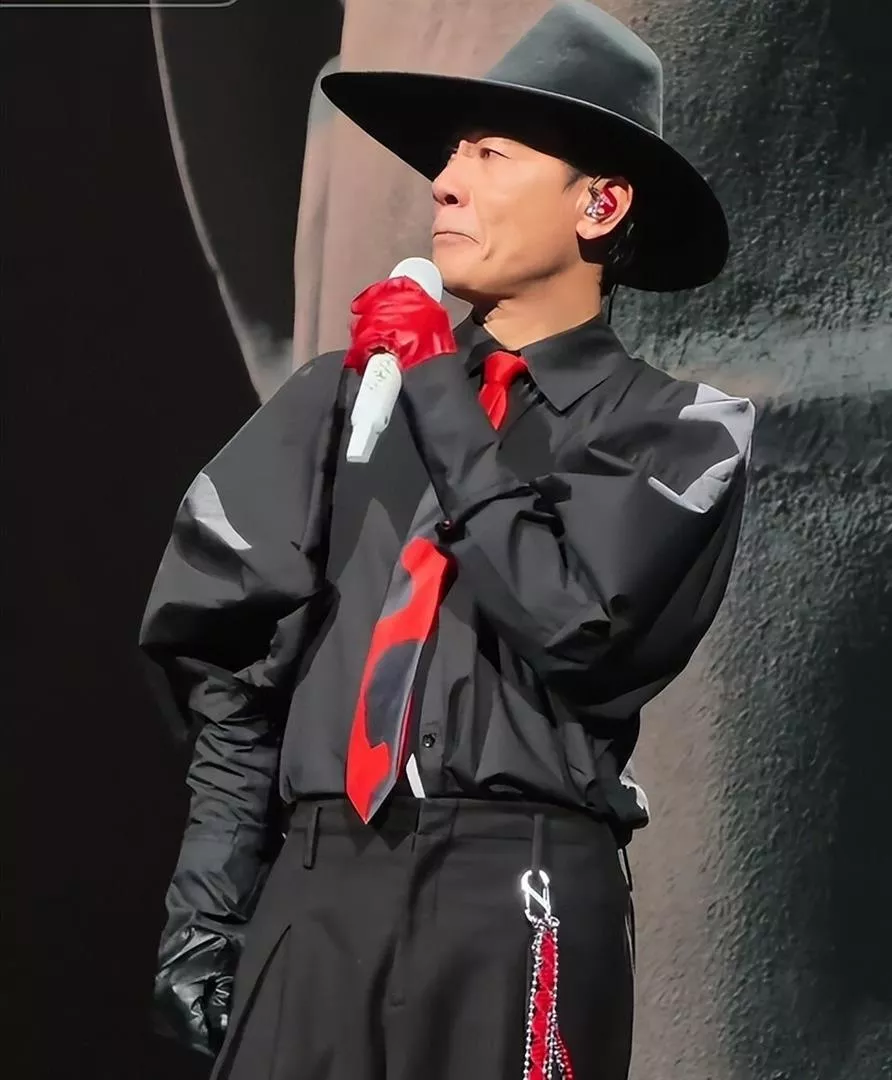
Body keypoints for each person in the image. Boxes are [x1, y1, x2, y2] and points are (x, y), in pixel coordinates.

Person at [138, 3, 755, 1078]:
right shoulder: (337, 401)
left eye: (489, 154)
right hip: (319, 886)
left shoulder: (679, 430)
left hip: (518, 895)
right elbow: (237, 673)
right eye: (450, 156)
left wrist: (434, 382)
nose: (445, 183)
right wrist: (207, 911)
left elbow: (577, 622)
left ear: (600, 204)